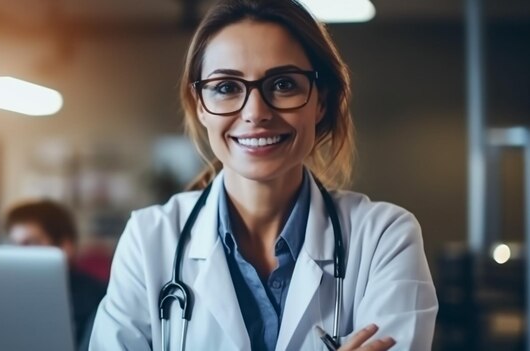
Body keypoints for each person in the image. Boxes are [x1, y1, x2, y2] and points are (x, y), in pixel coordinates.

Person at [89, 0, 438, 350]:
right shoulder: (148, 239)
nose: (256, 113)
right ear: (200, 107)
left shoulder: (385, 238)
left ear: (321, 102)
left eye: (284, 84)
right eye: (226, 87)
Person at [5, 200, 107, 351]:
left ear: (65, 247)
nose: (18, 253)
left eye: (30, 243)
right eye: (14, 244)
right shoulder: (6, 296)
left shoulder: (100, 299)